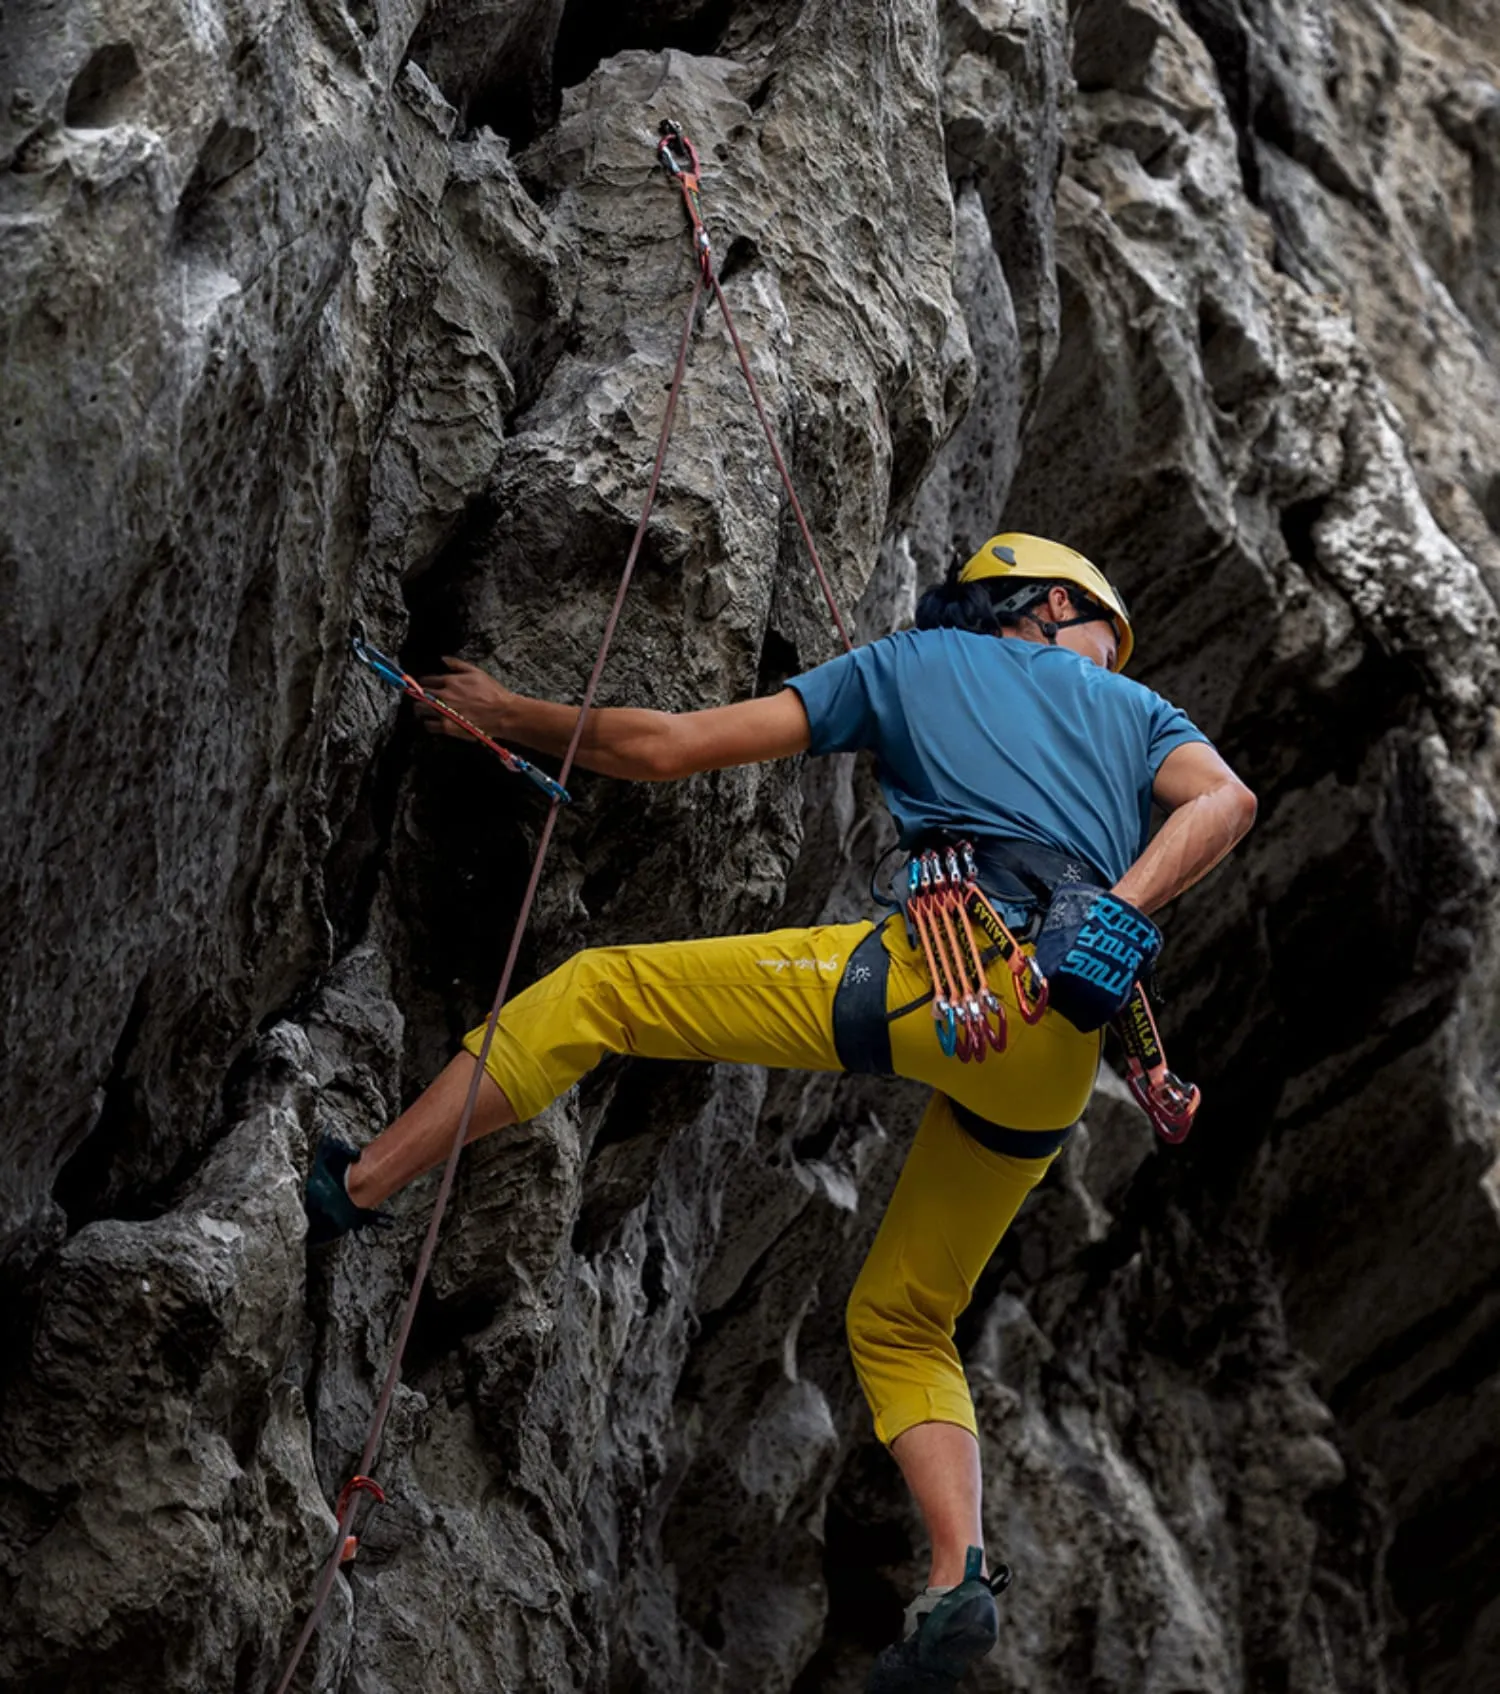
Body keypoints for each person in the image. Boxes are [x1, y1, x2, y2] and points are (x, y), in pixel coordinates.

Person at [305, 533, 1256, 1691]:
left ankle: (355, 1186)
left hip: (940, 974)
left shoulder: (912, 661)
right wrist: (1117, 908)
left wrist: (511, 709)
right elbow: (1227, 801)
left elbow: (662, 746)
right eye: (1109, 629)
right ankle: (960, 1574)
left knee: (604, 991)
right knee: (906, 1320)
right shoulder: (1145, 716)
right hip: (1057, 1040)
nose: (1112, 655)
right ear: (1056, 604)